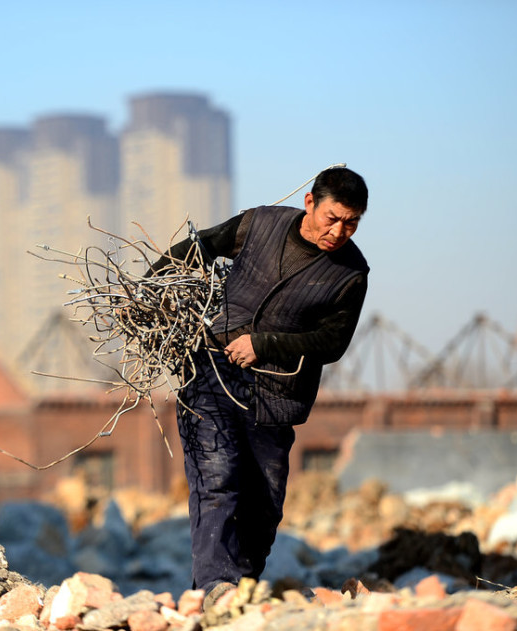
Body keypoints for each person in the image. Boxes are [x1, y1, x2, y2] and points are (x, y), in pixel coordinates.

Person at [149, 166, 369, 607]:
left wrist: (264, 345)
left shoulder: (350, 273)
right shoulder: (260, 224)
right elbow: (200, 247)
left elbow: (332, 342)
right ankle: (215, 586)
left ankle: (239, 594)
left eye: (351, 222)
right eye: (332, 217)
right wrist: (154, 289)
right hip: (211, 371)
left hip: (277, 396)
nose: (339, 230)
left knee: (263, 501)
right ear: (310, 203)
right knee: (217, 476)